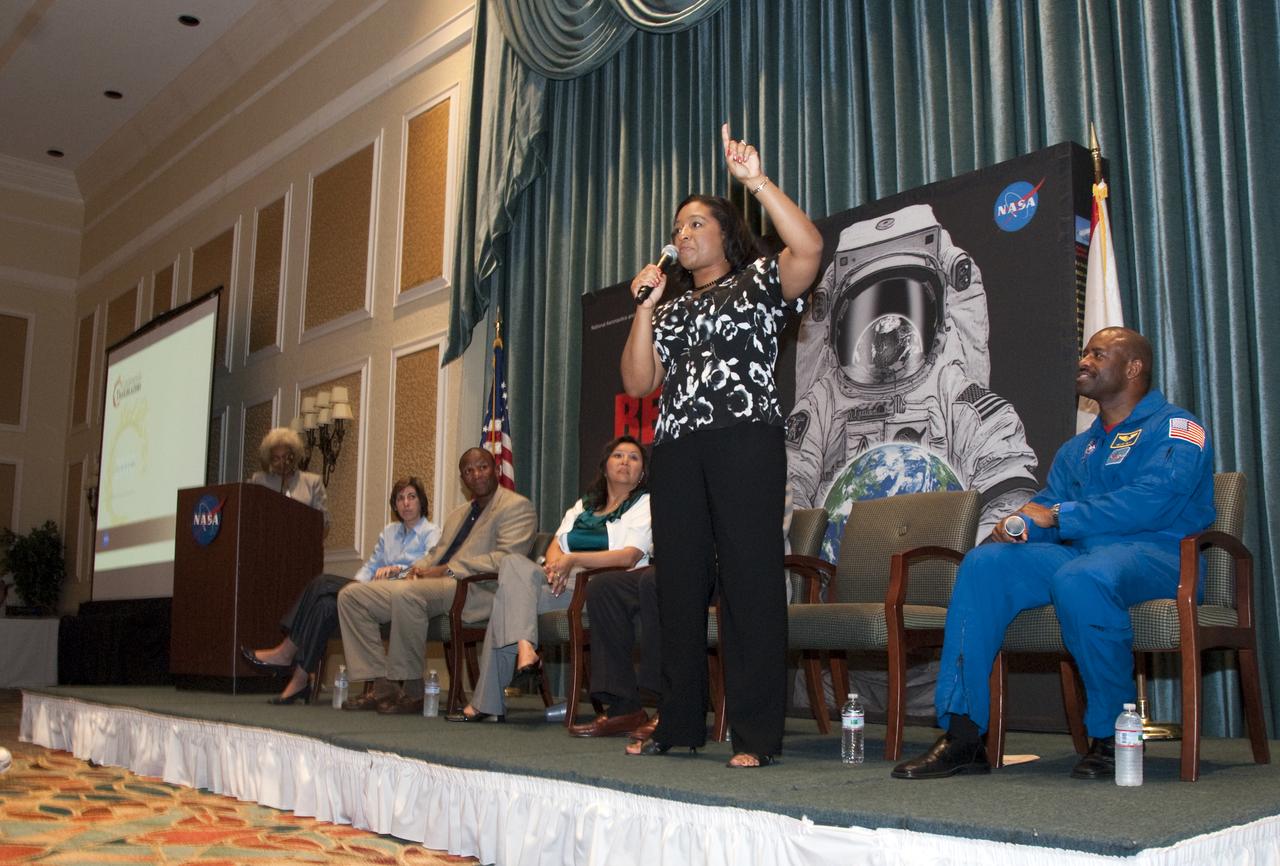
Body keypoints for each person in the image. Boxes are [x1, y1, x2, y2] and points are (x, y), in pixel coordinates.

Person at [892, 327, 1215, 781]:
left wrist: (1059, 516)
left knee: (1081, 578)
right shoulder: (1078, 448)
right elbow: (1047, 510)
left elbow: (1153, 500)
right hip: (1082, 554)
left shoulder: (1177, 428)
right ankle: (964, 735)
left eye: (1098, 354)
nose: (1084, 360)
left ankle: (1112, 737)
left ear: (1134, 368)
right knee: (984, 566)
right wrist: (1021, 524)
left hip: (1161, 555)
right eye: (1084, 352)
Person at [619, 124, 823, 767]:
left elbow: (810, 248)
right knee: (676, 585)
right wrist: (646, 307)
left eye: (696, 223)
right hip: (678, 448)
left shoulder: (761, 279)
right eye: (677, 228)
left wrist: (755, 181)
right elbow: (638, 381)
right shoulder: (672, 309)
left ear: (726, 233)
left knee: (749, 581)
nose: (682, 235)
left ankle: (758, 735)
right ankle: (678, 724)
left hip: (744, 441)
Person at [450, 436, 652, 722]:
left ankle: (489, 701)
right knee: (512, 565)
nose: (625, 462)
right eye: (618, 455)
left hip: (603, 588)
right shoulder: (586, 505)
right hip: (562, 580)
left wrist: (574, 560)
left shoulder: (645, 504)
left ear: (642, 472)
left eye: (634, 458)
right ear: (605, 467)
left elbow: (629, 556)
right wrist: (557, 565)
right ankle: (525, 648)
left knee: (506, 599)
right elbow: (556, 544)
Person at [337, 448, 536, 713]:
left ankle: (413, 690)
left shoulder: (516, 506)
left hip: (476, 589)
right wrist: (416, 569)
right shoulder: (458, 514)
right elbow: (435, 554)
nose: (476, 474)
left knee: (407, 594)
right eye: (468, 470)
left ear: (496, 470)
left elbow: (507, 559)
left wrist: (446, 570)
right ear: (462, 478)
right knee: (352, 596)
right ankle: (383, 686)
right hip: (436, 586)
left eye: (482, 467)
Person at [240, 477, 440, 703]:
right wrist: (352, 590)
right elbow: (371, 566)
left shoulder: (432, 532)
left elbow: (429, 568)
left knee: (323, 583)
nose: (406, 503)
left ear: (421, 502)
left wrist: (399, 571)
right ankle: (300, 679)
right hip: (371, 594)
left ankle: (286, 651)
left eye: (411, 497)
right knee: (325, 605)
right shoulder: (390, 532)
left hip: (403, 597)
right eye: (400, 498)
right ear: (395, 505)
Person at [249, 427, 330, 536]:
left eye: (286, 456)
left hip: (303, 546)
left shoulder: (312, 483)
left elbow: (323, 524)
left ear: (294, 455)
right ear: (269, 460)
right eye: (276, 458)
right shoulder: (259, 481)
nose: (282, 462)